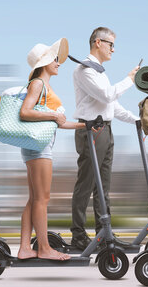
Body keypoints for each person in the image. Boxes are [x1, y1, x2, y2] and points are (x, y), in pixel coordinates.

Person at [70, 27, 140, 250]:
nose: (113, 49)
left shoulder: (99, 72)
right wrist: (130, 79)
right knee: (87, 183)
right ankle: (78, 236)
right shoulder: (85, 70)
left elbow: (111, 105)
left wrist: (136, 121)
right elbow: (108, 95)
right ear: (98, 43)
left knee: (103, 187)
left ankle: (104, 233)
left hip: (105, 129)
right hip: (91, 130)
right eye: (111, 44)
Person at [17, 38, 84, 260]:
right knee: (42, 199)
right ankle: (44, 248)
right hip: (39, 149)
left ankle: (25, 248)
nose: (58, 63)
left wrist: (85, 125)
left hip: (36, 147)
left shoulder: (45, 86)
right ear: (44, 62)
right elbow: (25, 112)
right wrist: (54, 114)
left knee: (34, 199)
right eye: (54, 59)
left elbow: (59, 122)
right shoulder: (38, 84)